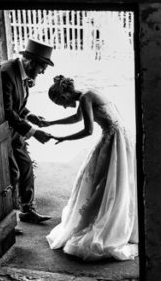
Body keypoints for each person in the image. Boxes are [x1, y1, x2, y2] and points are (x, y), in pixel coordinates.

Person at [36, 76, 138, 261]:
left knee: (107, 181)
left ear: (65, 93)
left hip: (113, 138)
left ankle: (107, 223)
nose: (64, 106)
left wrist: (64, 138)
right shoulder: (87, 94)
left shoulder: (85, 97)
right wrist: (52, 123)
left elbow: (88, 130)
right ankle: (109, 217)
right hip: (119, 136)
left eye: (61, 102)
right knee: (109, 181)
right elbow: (77, 117)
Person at [0, 39, 54, 224]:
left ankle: (27, 209)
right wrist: (33, 132)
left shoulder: (23, 73)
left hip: (15, 131)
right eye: (42, 66)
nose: (43, 71)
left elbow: (18, 105)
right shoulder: (6, 73)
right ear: (31, 62)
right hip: (2, 133)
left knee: (26, 166)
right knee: (11, 174)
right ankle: (6, 220)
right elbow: (6, 111)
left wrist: (31, 116)